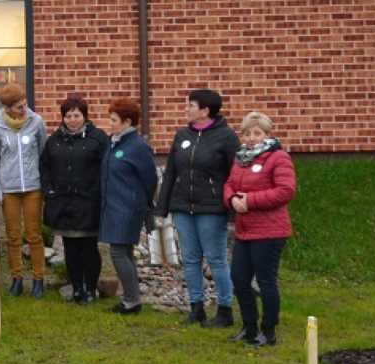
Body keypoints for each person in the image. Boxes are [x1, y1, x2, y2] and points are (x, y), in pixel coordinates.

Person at [156, 88, 242, 329]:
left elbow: (236, 175)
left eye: (190, 105)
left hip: (211, 209)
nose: (186, 109)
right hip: (183, 207)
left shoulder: (226, 137)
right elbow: (171, 172)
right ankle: (197, 308)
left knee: (216, 259)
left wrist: (232, 209)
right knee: (190, 259)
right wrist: (162, 207)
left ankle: (225, 309)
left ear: (205, 110)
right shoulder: (182, 135)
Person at [224, 111, 297, 346]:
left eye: (257, 133)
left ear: (267, 134)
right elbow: (229, 184)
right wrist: (232, 199)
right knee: (239, 279)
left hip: (270, 231)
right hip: (245, 230)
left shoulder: (278, 157)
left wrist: (250, 201)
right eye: (247, 133)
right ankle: (249, 326)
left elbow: (285, 191)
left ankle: (268, 330)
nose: (251, 138)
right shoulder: (241, 158)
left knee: (266, 281)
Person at [41, 94, 110, 304]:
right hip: (63, 203)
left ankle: (90, 288)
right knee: (70, 248)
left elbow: (107, 168)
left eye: (76, 115)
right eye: (68, 116)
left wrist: (99, 192)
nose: (72, 120)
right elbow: (45, 167)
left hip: (89, 203)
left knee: (89, 248)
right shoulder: (54, 140)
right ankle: (77, 288)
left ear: (85, 116)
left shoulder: (98, 139)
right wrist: (49, 191)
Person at [0, 83, 48, 297]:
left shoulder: (36, 122)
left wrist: (45, 183)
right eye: (19, 107)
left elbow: (43, 153)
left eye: (25, 104)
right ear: (7, 108)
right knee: (13, 236)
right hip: (9, 188)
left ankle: (39, 279)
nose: (24, 109)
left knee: (34, 235)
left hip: (33, 186)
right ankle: (17, 278)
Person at [100, 97, 158, 315]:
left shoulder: (137, 146)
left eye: (114, 120)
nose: (110, 124)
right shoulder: (115, 142)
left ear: (127, 122)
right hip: (114, 205)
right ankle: (132, 300)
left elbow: (150, 179)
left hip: (128, 207)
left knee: (118, 252)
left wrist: (141, 203)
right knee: (124, 252)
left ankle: (131, 300)